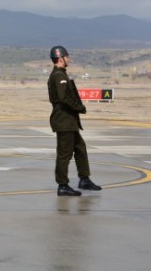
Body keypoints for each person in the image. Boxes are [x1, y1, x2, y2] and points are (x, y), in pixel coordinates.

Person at [47, 46, 102, 196]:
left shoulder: (60, 74)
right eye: (67, 57)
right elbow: (64, 97)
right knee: (64, 154)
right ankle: (62, 185)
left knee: (80, 149)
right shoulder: (59, 75)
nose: (69, 59)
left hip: (68, 119)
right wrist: (79, 107)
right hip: (64, 119)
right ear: (61, 58)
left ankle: (84, 179)